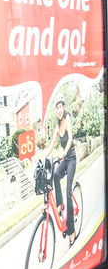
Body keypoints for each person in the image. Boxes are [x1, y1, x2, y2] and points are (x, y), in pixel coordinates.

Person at [44, 93, 77, 245]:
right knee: (56, 175)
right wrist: (44, 156)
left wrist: (64, 152)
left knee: (68, 191)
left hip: (71, 158)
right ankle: (60, 203)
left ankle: (71, 230)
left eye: (60, 107)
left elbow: (70, 138)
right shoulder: (57, 126)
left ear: (64, 108)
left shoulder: (68, 118)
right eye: (56, 108)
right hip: (64, 159)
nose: (59, 110)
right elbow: (51, 145)